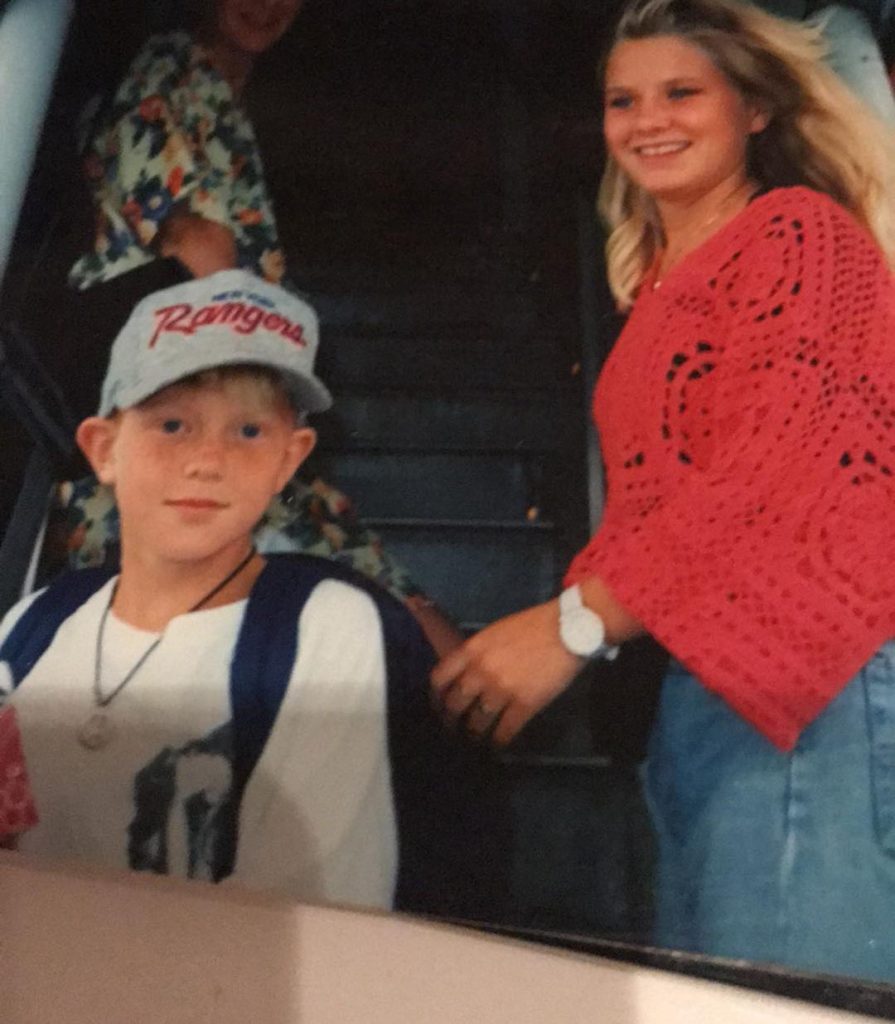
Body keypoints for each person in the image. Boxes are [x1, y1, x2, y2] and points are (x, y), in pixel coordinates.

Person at [433, 0, 895, 981]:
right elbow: (658, 508)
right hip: (702, 683)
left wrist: (570, 624)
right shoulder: (654, 286)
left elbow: (778, 462)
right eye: (621, 99)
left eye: (682, 92)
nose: (649, 120)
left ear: (756, 109)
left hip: (809, 676)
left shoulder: (800, 233)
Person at [0, 270, 505, 918]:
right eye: (173, 423)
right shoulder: (33, 625)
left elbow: (304, 919)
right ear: (104, 449)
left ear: (288, 462)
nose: (207, 460)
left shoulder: (324, 628)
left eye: (248, 432)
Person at [59, 0, 463, 655]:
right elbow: (199, 249)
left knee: (414, 637)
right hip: (174, 432)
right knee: (400, 638)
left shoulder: (230, 95)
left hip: (227, 423)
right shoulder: (172, 72)